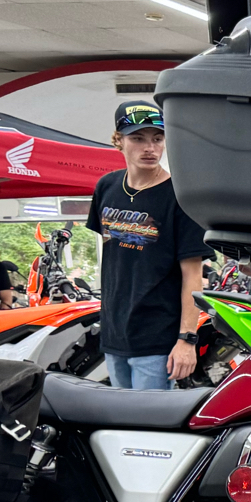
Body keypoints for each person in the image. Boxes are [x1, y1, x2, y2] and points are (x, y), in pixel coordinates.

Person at [87, 101, 205, 389]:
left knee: (149, 429)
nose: (149, 148)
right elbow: (113, 256)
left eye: (157, 138)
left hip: (157, 338)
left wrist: (186, 339)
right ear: (119, 141)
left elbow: (194, 275)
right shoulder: (107, 187)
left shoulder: (180, 197)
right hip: (115, 334)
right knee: (121, 424)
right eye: (138, 138)